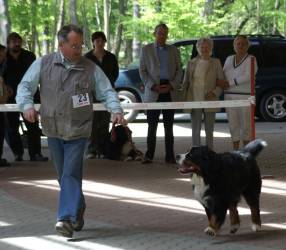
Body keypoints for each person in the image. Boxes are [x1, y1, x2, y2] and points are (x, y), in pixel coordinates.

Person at [16, 24, 124, 238]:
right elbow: (24, 87)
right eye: (74, 45)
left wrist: (116, 110)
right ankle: (79, 206)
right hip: (53, 129)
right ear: (61, 45)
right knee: (63, 176)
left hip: (79, 130)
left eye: (80, 45)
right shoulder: (44, 63)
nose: (79, 49)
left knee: (70, 174)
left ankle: (65, 219)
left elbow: (107, 91)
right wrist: (27, 106)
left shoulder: (90, 67)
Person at [139, 23, 182, 164]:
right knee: (152, 126)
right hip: (153, 91)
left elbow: (179, 71)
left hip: (169, 90)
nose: (162, 36)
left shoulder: (174, 50)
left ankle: (170, 156)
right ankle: (149, 155)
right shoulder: (145, 50)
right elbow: (142, 71)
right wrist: (153, 86)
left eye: (164, 33)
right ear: (154, 34)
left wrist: (171, 86)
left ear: (167, 35)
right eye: (159, 33)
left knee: (169, 126)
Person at [3, 32, 48, 162]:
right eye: (14, 41)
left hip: (30, 95)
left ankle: (36, 153)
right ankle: (18, 153)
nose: (17, 44)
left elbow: (36, 75)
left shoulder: (29, 56)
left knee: (33, 125)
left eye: (18, 41)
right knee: (11, 127)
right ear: (8, 43)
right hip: (9, 97)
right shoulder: (3, 57)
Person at [181, 37, 224, 149]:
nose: (204, 49)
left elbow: (221, 82)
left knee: (209, 130)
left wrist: (215, 93)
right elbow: (185, 83)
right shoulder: (191, 63)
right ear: (198, 48)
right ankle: (196, 151)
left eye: (206, 47)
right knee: (195, 129)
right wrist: (182, 98)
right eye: (202, 47)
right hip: (194, 99)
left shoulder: (216, 62)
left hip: (210, 99)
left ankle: (210, 152)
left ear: (211, 48)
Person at [84, 31, 119, 159]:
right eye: (96, 41)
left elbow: (115, 74)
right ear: (93, 42)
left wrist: (106, 87)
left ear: (105, 42)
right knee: (92, 122)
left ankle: (103, 149)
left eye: (102, 41)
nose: (99, 43)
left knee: (104, 122)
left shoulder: (111, 57)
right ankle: (91, 150)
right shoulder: (86, 58)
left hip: (107, 94)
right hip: (91, 94)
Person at [221, 35, 258, 150]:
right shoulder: (229, 58)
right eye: (238, 43)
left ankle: (246, 153)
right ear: (234, 46)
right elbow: (223, 74)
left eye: (243, 44)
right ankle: (236, 152)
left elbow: (248, 76)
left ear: (248, 46)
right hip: (229, 96)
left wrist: (229, 83)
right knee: (233, 125)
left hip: (245, 96)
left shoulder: (251, 59)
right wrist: (220, 83)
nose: (240, 46)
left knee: (246, 126)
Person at [0, 44, 10, 167]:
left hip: (2, 105)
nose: (2, 57)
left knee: (1, 131)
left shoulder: (4, 66)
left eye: (3, 55)